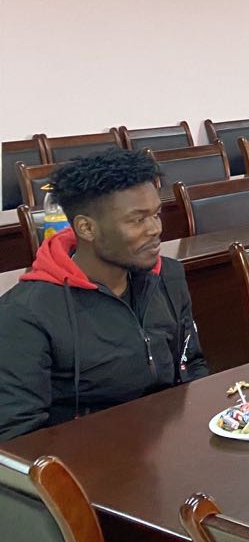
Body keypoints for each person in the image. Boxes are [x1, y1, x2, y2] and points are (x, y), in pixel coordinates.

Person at [0, 150, 209, 440]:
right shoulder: (24, 315)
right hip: (86, 460)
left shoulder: (167, 277)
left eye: (156, 214)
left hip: (167, 446)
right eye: (137, 220)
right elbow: (16, 437)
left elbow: (192, 365)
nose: (155, 229)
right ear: (87, 228)